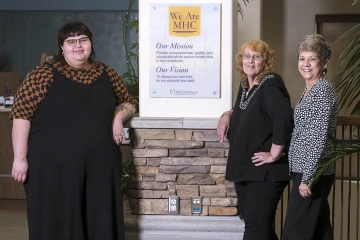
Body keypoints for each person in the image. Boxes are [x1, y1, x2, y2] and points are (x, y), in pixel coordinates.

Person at [10, 21, 136, 240]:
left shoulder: (107, 73)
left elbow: (129, 102)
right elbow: (21, 115)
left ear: (91, 43)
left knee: (99, 222)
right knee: (55, 223)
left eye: (83, 40)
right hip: (51, 169)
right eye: (71, 42)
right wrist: (19, 158)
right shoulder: (41, 75)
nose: (78, 46)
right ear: (62, 48)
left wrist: (118, 117)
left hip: (99, 167)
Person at [217, 40, 293, 240]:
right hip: (247, 170)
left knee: (255, 230)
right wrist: (227, 114)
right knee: (261, 229)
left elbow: (283, 114)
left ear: (265, 61)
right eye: (247, 55)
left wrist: (275, 152)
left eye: (256, 56)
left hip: (264, 172)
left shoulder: (269, 84)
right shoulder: (246, 84)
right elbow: (249, 111)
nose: (250, 60)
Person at [283, 34, 338, 240]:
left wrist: (308, 178)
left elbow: (318, 137)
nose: (305, 64)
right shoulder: (309, 89)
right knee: (319, 232)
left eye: (312, 59)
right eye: (302, 58)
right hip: (307, 170)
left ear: (324, 63)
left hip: (313, 173)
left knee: (294, 234)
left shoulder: (322, 91)